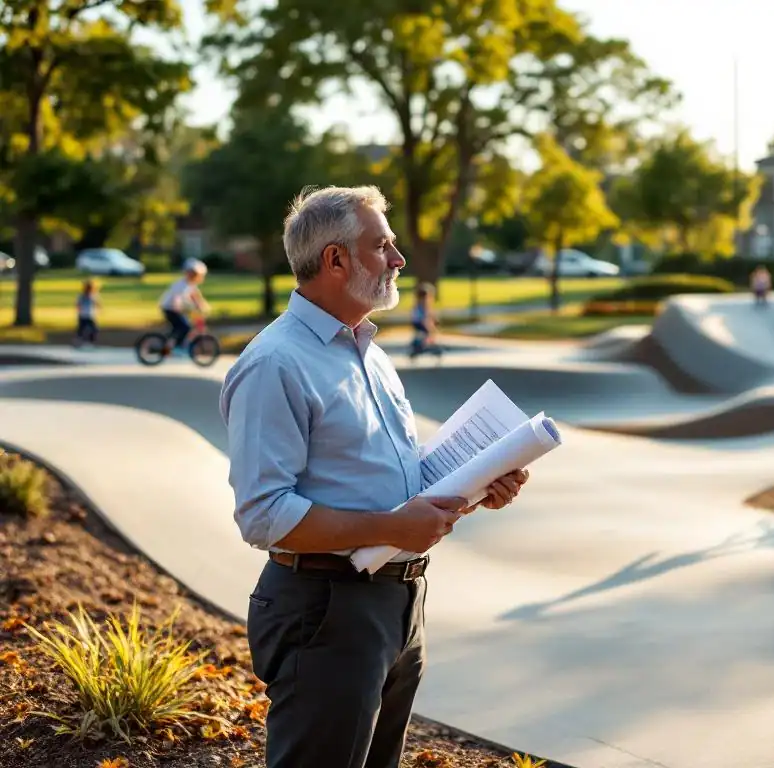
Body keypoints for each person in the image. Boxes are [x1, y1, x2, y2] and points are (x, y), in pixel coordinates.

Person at [219, 185, 529, 768]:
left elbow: (394, 475)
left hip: (399, 600)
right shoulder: (274, 364)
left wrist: (476, 487)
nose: (399, 258)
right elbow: (263, 515)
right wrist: (392, 525)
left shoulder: (369, 352)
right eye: (382, 245)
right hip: (325, 608)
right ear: (335, 260)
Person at [159, 258, 210, 353]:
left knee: (180, 327)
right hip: (170, 308)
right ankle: (177, 347)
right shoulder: (182, 285)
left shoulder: (190, 285)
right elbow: (176, 298)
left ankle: (171, 344)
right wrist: (178, 307)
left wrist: (202, 306)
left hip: (175, 309)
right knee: (184, 327)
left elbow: (196, 297)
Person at [409, 282, 442, 360]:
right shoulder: (423, 304)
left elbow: (428, 314)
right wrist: (431, 323)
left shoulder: (418, 303)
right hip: (420, 322)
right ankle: (421, 345)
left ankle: (419, 344)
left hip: (417, 321)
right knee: (428, 332)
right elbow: (426, 315)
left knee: (425, 334)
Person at [74, 279, 100, 346]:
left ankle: (90, 342)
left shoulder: (93, 295)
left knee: (93, 329)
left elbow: (97, 303)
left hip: (89, 315)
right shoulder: (82, 295)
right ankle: (79, 341)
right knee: (81, 329)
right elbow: (77, 305)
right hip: (84, 315)